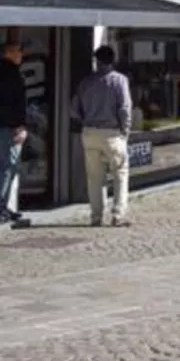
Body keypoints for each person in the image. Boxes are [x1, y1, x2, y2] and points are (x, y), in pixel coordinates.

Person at [71, 45, 133, 228]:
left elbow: (73, 108)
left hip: (89, 132)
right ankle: (118, 215)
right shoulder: (119, 81)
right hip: (112, 133)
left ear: (96, 60)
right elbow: (124, 108)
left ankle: (96, 216)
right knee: (120, 173)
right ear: (113, 60)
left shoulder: (86, 82)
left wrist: (84, 119)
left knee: (94, 177)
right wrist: (125, 130)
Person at [0, 41, 29, 226]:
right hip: (8, 127)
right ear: (9, 53)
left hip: (6, 125)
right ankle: (1, 207)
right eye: (19, 51)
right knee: (8, 167)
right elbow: (16, 103)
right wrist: (20, 126)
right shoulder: (11, 74)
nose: (22, 55)